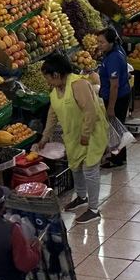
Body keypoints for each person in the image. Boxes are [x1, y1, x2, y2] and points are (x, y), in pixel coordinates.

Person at [37, 53, 109, 225]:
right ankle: (81, 197)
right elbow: (52, 115)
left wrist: (85, 134)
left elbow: (90, 111)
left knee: (90, 170)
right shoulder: (56, 90)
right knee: (75, 167)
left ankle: (93, 209)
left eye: (48, 78)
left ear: (56, 74)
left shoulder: (79, 84)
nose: (48, 82)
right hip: (72, 136)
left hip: (91, 134)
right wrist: (45, 137)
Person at [97, 28, 134, 168]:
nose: (99, 45)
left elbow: (114, 86)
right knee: (116, 128)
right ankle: (119, 157)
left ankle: (117, 159)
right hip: (120, 95)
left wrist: (111, 107)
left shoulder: (113, 57)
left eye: (102, 42)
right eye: (98, 42)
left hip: (117, 98)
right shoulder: (115, 51)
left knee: (115, 129)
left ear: (111, 42)